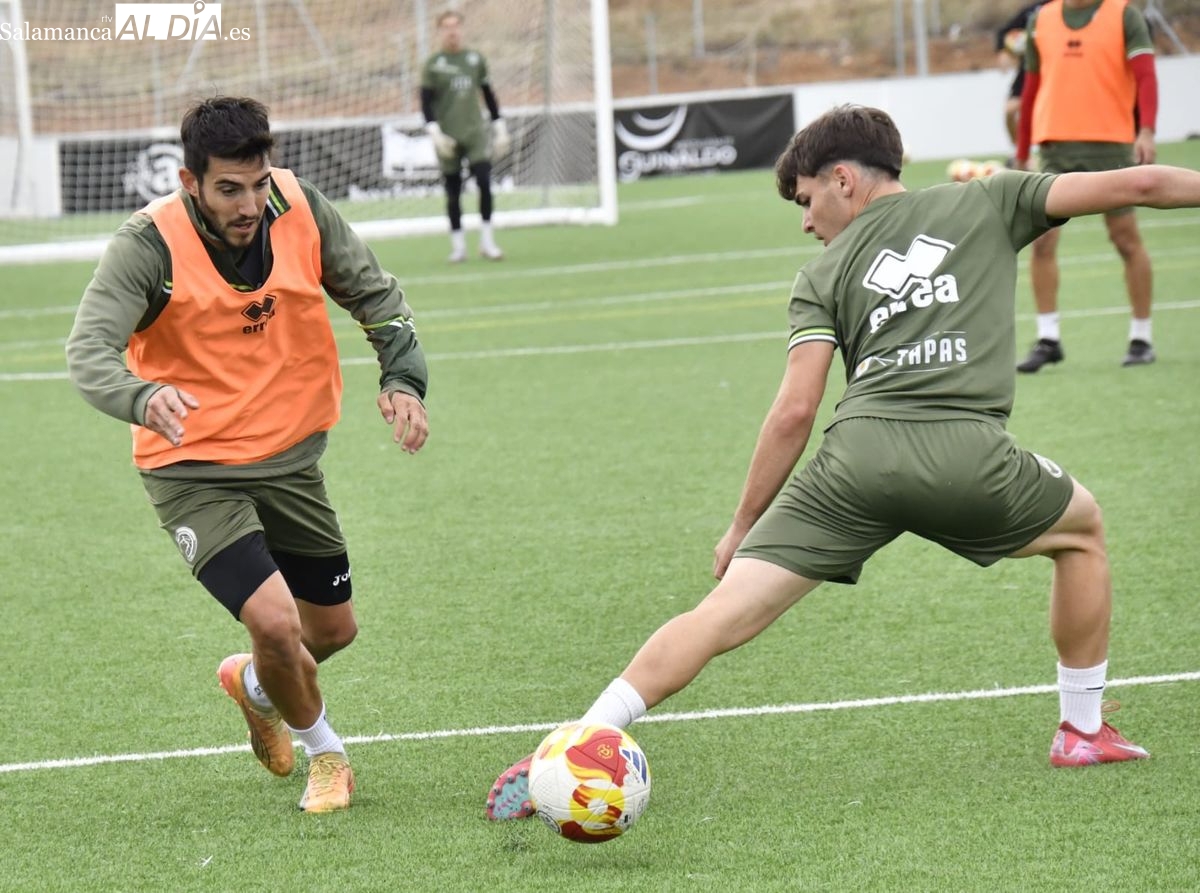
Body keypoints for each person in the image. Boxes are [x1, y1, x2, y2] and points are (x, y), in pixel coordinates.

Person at [484, 104, 1200, 821]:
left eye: (805, 200)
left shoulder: (823, 271)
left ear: (844, 180)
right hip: (967, 456)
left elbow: (797, 410)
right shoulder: (993, 198)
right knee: (1081, 530)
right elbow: (1140, 183)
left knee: (720, 612)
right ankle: (1081, 730)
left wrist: (741, 525)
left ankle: (577, 738)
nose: (805, 220)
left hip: (852, 464)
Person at [65, 96, 430, 813]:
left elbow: (377, 295)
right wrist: (142, 397)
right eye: (229, 188)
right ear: (188, 181)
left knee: (332, 630)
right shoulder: (148, 246)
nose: (249, 203)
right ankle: (329, 754)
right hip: (191, 465)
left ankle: (257, 687)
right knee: (273, 620)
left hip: (290, 458)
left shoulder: (299, 206)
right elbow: (88, 353)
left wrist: (403, 379)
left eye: (258, 183)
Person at [1014, 0, 1159, 371]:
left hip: (1111, 144)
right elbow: (1030, 89)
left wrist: (1146, 130)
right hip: (1053, 148)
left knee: (1125, 238)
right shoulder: (1041, 19)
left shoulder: (1125, 14)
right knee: (1042, 242)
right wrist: (1021, 149)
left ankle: (1141, 337)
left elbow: (1145, 75)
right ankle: (1048, 338)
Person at [421, 9, 511, 263]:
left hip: (474, 132)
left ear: (462, 29)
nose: (452, 31)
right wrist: (435, 132)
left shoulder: (474, 59)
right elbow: (425, 103)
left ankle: (487, 241)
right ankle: (458, 246)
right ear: (440, 31)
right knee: (453, 191)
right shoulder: (433, 64)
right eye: (447, 27)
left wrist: (499, 125)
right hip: (448, 135)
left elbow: (488, 94)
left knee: (484, 181)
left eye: (456, 26)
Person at [995, 2, 1043, 151]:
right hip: (1027, 70)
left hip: (1056, 71)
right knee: (1010, 111)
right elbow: (1004, 32)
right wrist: (1003, 50)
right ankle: (1019, 153)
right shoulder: (1032, 11)